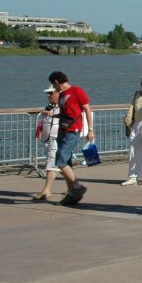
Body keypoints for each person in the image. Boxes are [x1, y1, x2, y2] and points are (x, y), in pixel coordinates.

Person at [48, 71, 94, 206]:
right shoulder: (61, 95)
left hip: (73, 131)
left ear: (56, 82)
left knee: (60, 160)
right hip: (62, 131)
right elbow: (66, 114)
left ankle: (77, 187)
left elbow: (87, 109)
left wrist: (90, 129)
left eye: (52, 84)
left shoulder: (77, 91)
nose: (53, 87)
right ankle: (72, 195)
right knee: (66, 163)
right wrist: (53, 115)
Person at [32, 85, 62, 201]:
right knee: (63, 165)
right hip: (47, 140)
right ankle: (74, 186)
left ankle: (46, 190)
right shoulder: (50, 107)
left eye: (51, 93)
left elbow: (67, 118)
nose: (48, 95)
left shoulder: (63, 107)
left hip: (56, 140)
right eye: (47, 93)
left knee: (51, 164)